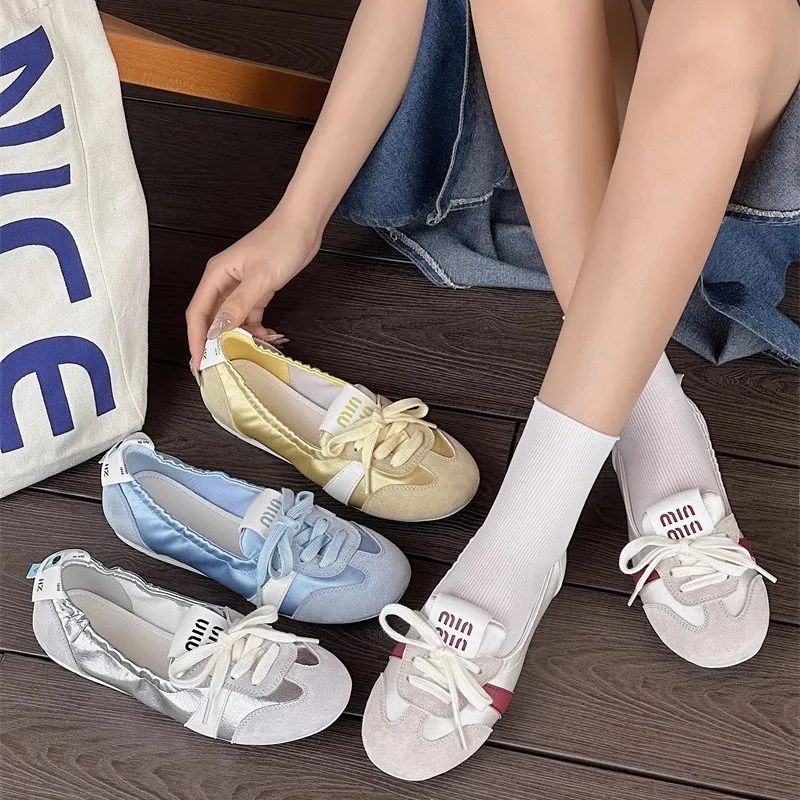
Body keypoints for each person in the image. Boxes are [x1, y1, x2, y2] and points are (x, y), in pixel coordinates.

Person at [186, 0, 799, 779]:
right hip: (569, 132)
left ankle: (522, 541)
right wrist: (297, 219)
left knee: (722, 13)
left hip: (740, 122)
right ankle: (652, 416)